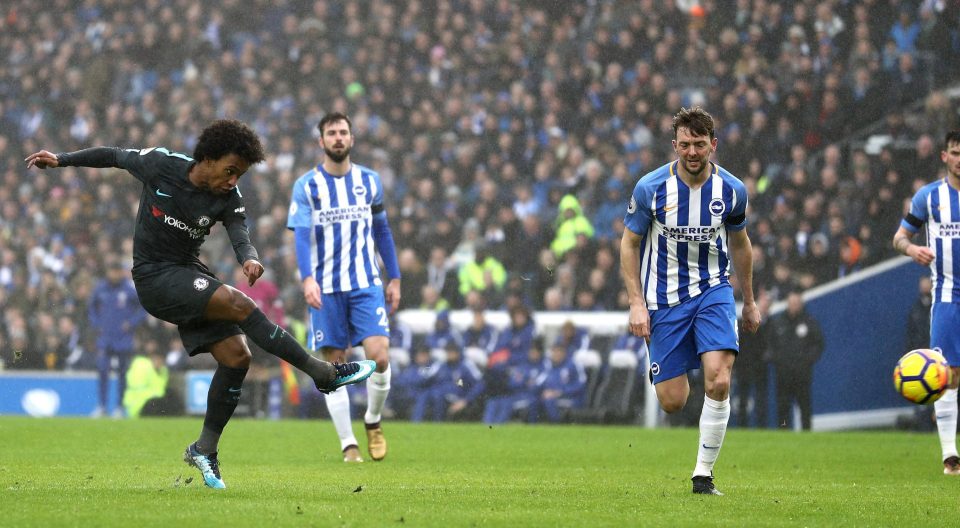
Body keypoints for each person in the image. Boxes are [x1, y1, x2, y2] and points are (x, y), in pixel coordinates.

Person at [25, 119, 375, 489]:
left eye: (239, 174)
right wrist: (61, 160)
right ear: (207, 159)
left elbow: (240, 234)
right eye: (230, 170)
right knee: (238, 304)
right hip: (153, 277)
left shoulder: (228, 197)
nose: (233, 180)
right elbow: (113, 155)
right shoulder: (161, 164)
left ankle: (204, 449)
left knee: (237, 357)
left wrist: (250, 257)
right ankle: (322, 373)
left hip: (188, 271)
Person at [619, 107, 761, 495]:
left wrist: (748, 301)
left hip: (713, 291)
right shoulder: (650, 188)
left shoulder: (731, 190)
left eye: (700, 144)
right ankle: (675, 363)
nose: (693, 152)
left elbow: (741, 244)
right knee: (673, 401)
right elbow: (629, 244)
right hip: (662, 299)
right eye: (685, 144)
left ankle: (703, 475)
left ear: (713, 145)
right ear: (675, 146)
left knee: (718, 379)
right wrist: (635, 302)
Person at [287, 112, 401, 463]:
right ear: (321, 141)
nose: (338, 138)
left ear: (352, 139)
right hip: (327, 288)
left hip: (366, 282)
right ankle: (349, 445)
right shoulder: (307, 185)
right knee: (334, 368)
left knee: (379, 356)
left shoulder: (370, 181)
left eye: (343, 132)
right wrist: (307, 278)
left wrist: (394, 276)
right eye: (331, 133)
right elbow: (302, 237)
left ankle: (373, 420)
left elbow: (382, 231)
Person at [892, 130, 960, 476]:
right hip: (948, 295)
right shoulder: (929, 197)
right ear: (944, 157)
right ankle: (951, 456)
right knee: (948, 374)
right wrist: (913, 249)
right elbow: (900, 237)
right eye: (955, 152)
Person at [88, 257, 147, 418]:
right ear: (108, 272)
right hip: (105, 338)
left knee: (122, 373)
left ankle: (119, 407)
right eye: (111, 271)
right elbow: (91, 308)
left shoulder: (128, 290)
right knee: (102, 371)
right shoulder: (100, 289)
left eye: (117, 271)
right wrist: (97, 324)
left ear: (121, 272)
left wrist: (131, 323)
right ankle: (101, 406)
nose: (114, 275)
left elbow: (142, 309)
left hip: (123, 339)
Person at [767, 291, 823, 431]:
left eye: (796, 303)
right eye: (791, 303)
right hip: (783, 373)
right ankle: (784, 431)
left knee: (804, 404)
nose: (793, 306)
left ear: (801, 304)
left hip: (802, 373)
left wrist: (808, 360)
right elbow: (769, 344)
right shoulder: (778, 322)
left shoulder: (809, 322)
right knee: (783, 405)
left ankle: (806, 432)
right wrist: (776, 359)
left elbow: (818, 344)